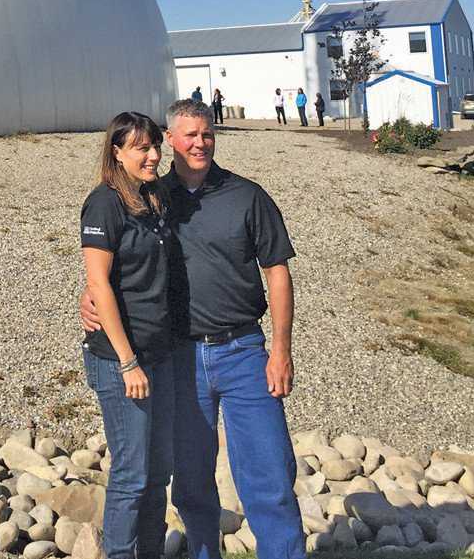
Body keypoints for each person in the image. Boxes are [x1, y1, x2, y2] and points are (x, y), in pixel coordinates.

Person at [82, 99, 306, 559]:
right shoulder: (149, 196)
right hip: (179, 358)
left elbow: (278, 272)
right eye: (189, 135)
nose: (199, 143)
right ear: (171, 140)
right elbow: (117, 266)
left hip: (244, 350)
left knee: (270, 476)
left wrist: (280, 350)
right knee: (190, 482)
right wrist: (89, 299)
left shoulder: (248, 196)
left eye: (207, 134)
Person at [79, 112, 182, 559]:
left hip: (159, 353)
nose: (153, 155)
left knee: (159, 472)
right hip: (123, 360)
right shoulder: (104, 204)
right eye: (141, 147)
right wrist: (127, 361)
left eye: (156, 145)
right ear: (116, 152)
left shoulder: (156, 198)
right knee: (131, 475)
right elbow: (99, 283)